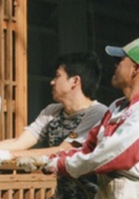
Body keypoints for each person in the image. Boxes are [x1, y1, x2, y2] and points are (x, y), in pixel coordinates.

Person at [0, 52, 106, 199]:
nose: (52, 82)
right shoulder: (52, 111)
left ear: (75, 81)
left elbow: (64, 150)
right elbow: (19, 142)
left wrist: (10, 155)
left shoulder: (98, 113)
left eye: (57, 76)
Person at [47, 37, 139, 199]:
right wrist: (58, 157)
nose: (115, 65)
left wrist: (64, 164)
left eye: (120, 60)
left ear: (135, 69)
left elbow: (115, 154)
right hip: (108, 187)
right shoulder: (116, 107)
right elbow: (91, 145)